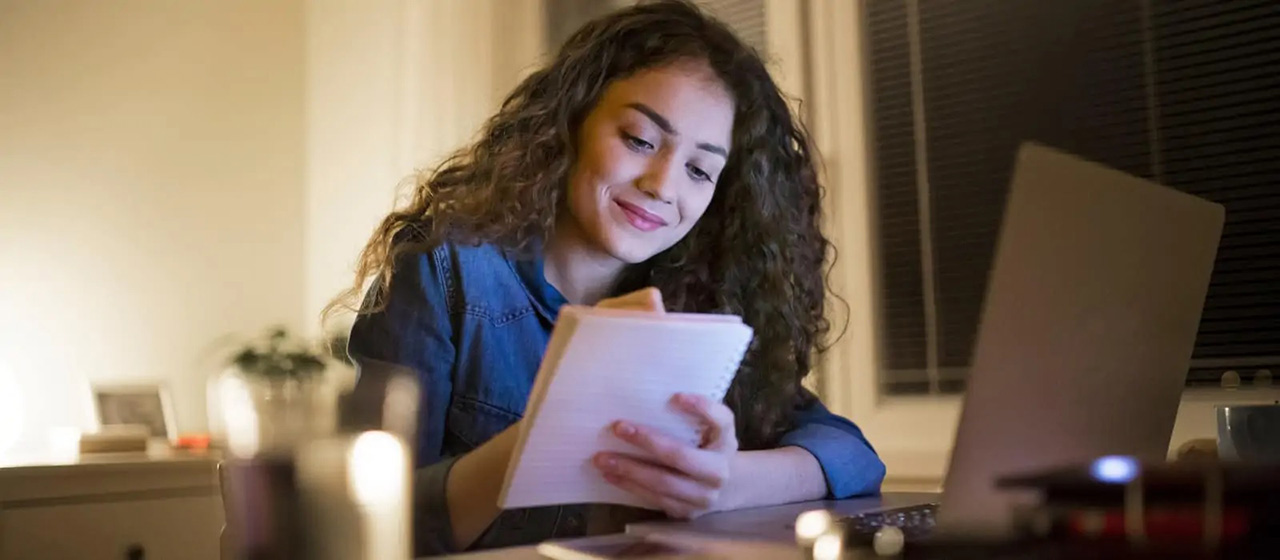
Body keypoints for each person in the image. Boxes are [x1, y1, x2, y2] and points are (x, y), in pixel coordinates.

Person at [329, 0, 885, 555]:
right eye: (640, 140)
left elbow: (851, 453)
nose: (663, 185)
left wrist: (723, 482)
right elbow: (368, 519)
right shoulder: (445, 271)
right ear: (571, 123)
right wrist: (556, 427)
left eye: (699, 170)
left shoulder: (699, 306)